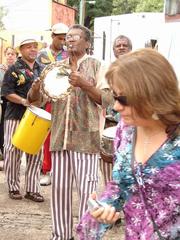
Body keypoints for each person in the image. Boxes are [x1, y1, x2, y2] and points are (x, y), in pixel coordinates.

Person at [77, 48, 180, 240]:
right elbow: (121, 184)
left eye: (122, 98)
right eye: (115, 97)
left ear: (151, 94)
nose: (116, 106)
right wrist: (104, 208)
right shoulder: (125, 129)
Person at [27, 24, 113, 240]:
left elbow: (107, 100)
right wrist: (36, 89)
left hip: (86, 140)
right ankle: (61, 235)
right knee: (59, 193)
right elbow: (35, 101)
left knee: (88, 194)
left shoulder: (97, 66)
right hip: (59, 139)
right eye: (68, 37)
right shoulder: (56, 68)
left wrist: (85, 84)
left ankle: (87, 235)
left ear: (87, 43)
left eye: (75, 36)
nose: (70, 39)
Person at [1, 38, 45, 202]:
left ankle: (33, 189)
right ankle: (13, 187)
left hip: (37, 115)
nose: (33, 49)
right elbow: (6, 92)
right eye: (29, 47)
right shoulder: (13, 68)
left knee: (35, 152)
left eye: (35, 47)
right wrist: (22, 101)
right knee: (13, 151)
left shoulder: (42, 68)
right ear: (21, 50)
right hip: (15, 114)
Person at [37, 22, 69, 186]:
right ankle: (46, 169)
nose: (63, 41)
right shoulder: (41, 55)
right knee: (47, 136)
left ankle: (62, 169)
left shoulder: (68, 55)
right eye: (60, 38)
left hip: (64, 100)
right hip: (46, 100)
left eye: (65, 38)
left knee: (64, 134)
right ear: (52, 37)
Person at [100, 35, 132, 185]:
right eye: (118, 45)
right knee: (107, 158)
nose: (121, 47)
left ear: (130, 48)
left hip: (131, 121)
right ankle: (109, 191)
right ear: (113, 50)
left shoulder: (137, 69)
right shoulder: (107, 69)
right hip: (109, 121)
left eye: (124, 45)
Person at [0, 47, 18, 170]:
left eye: (12, 54)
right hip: (2, 103)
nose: (10, 56)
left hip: (14, 105)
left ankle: (10, 161)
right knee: (1, 131)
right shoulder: (0, 69)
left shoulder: (19, 69)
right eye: (8, 54)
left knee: (11, 133)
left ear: (16, 56)